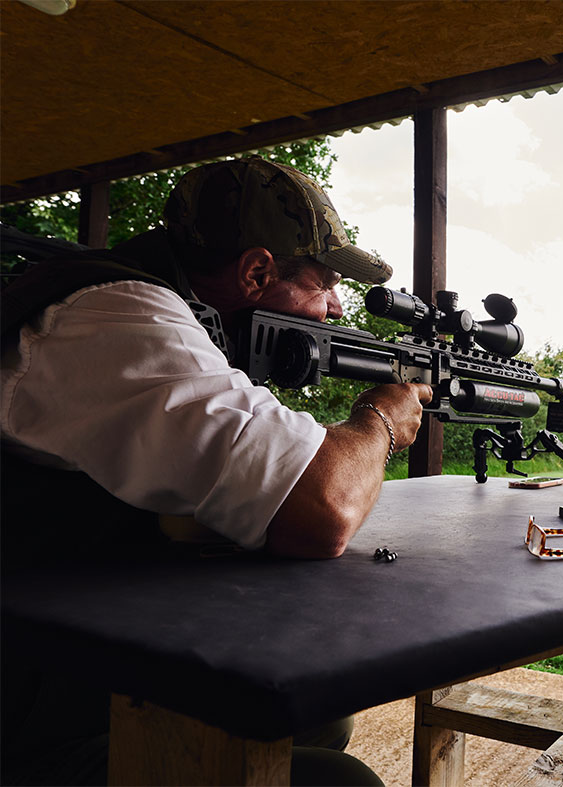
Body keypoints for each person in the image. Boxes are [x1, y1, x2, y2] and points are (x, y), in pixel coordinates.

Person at [1, 156, 432, 785]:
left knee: (320, 719)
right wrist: (382, 419)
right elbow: (320, 509)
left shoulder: (152, 310)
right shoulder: (118, 315)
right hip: (31, 707)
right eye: (322, 283)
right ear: (257, 272)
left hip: (67, 646)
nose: (338, 307)